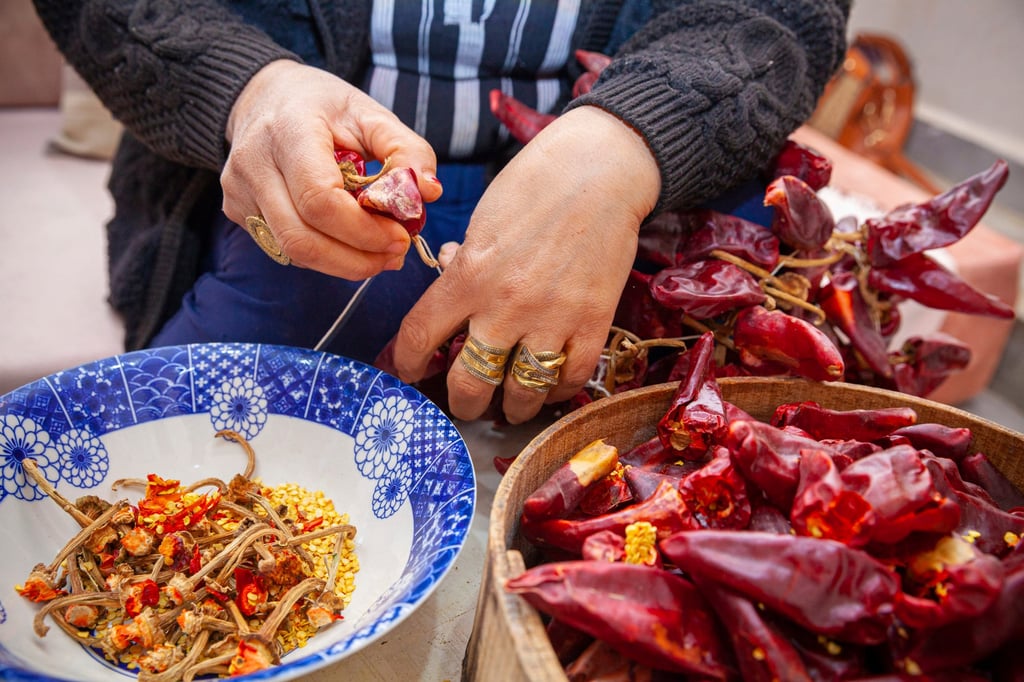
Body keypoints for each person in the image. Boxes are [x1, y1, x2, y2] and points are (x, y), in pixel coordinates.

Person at [32, 0, 850, 425]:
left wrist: (625, 147)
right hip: (292, 201)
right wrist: (247, 87)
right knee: (171, 460)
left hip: (646, 200)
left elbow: (783, 16)